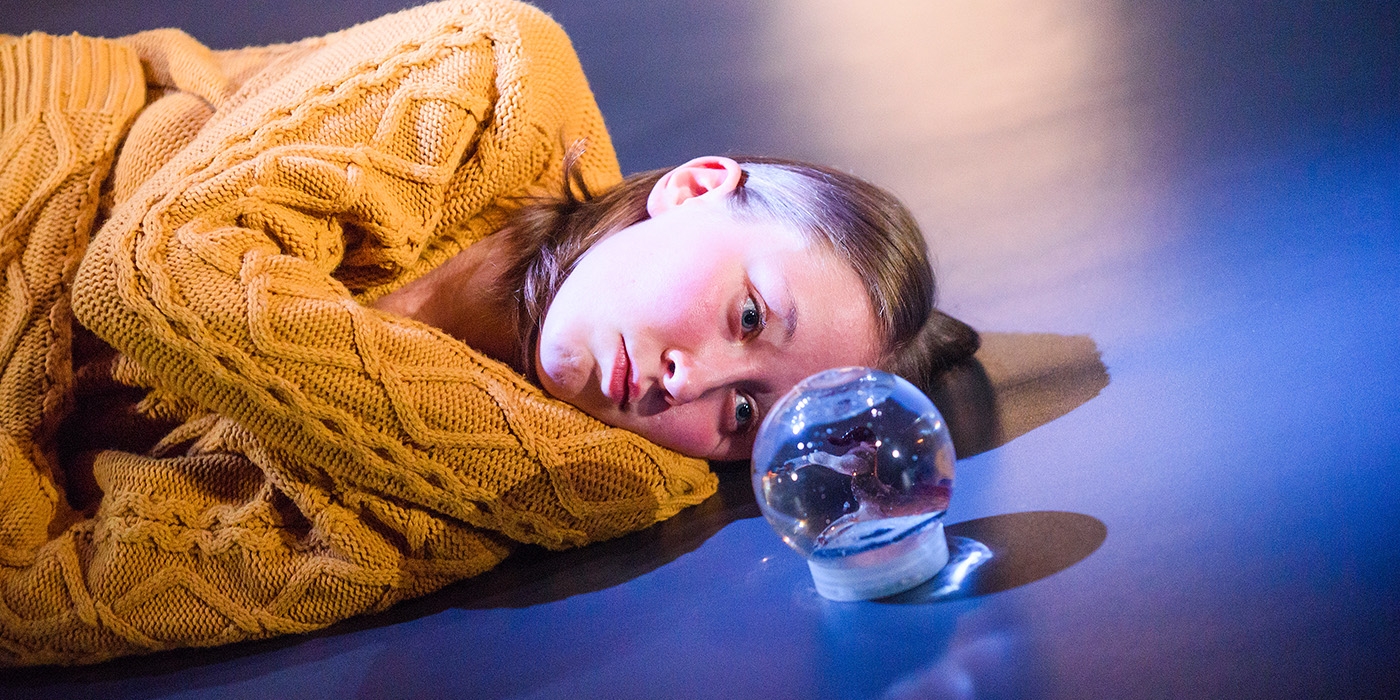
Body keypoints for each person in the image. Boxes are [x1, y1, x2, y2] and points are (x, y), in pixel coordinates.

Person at [0, 0, 975, 666]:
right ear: (693, 187)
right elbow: (147, 276)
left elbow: (41, 593)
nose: (693, 381)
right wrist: (591, 484)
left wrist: (597, 480)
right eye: (749, 315)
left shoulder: (475, 504)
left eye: (745, 413)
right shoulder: (497, 80)